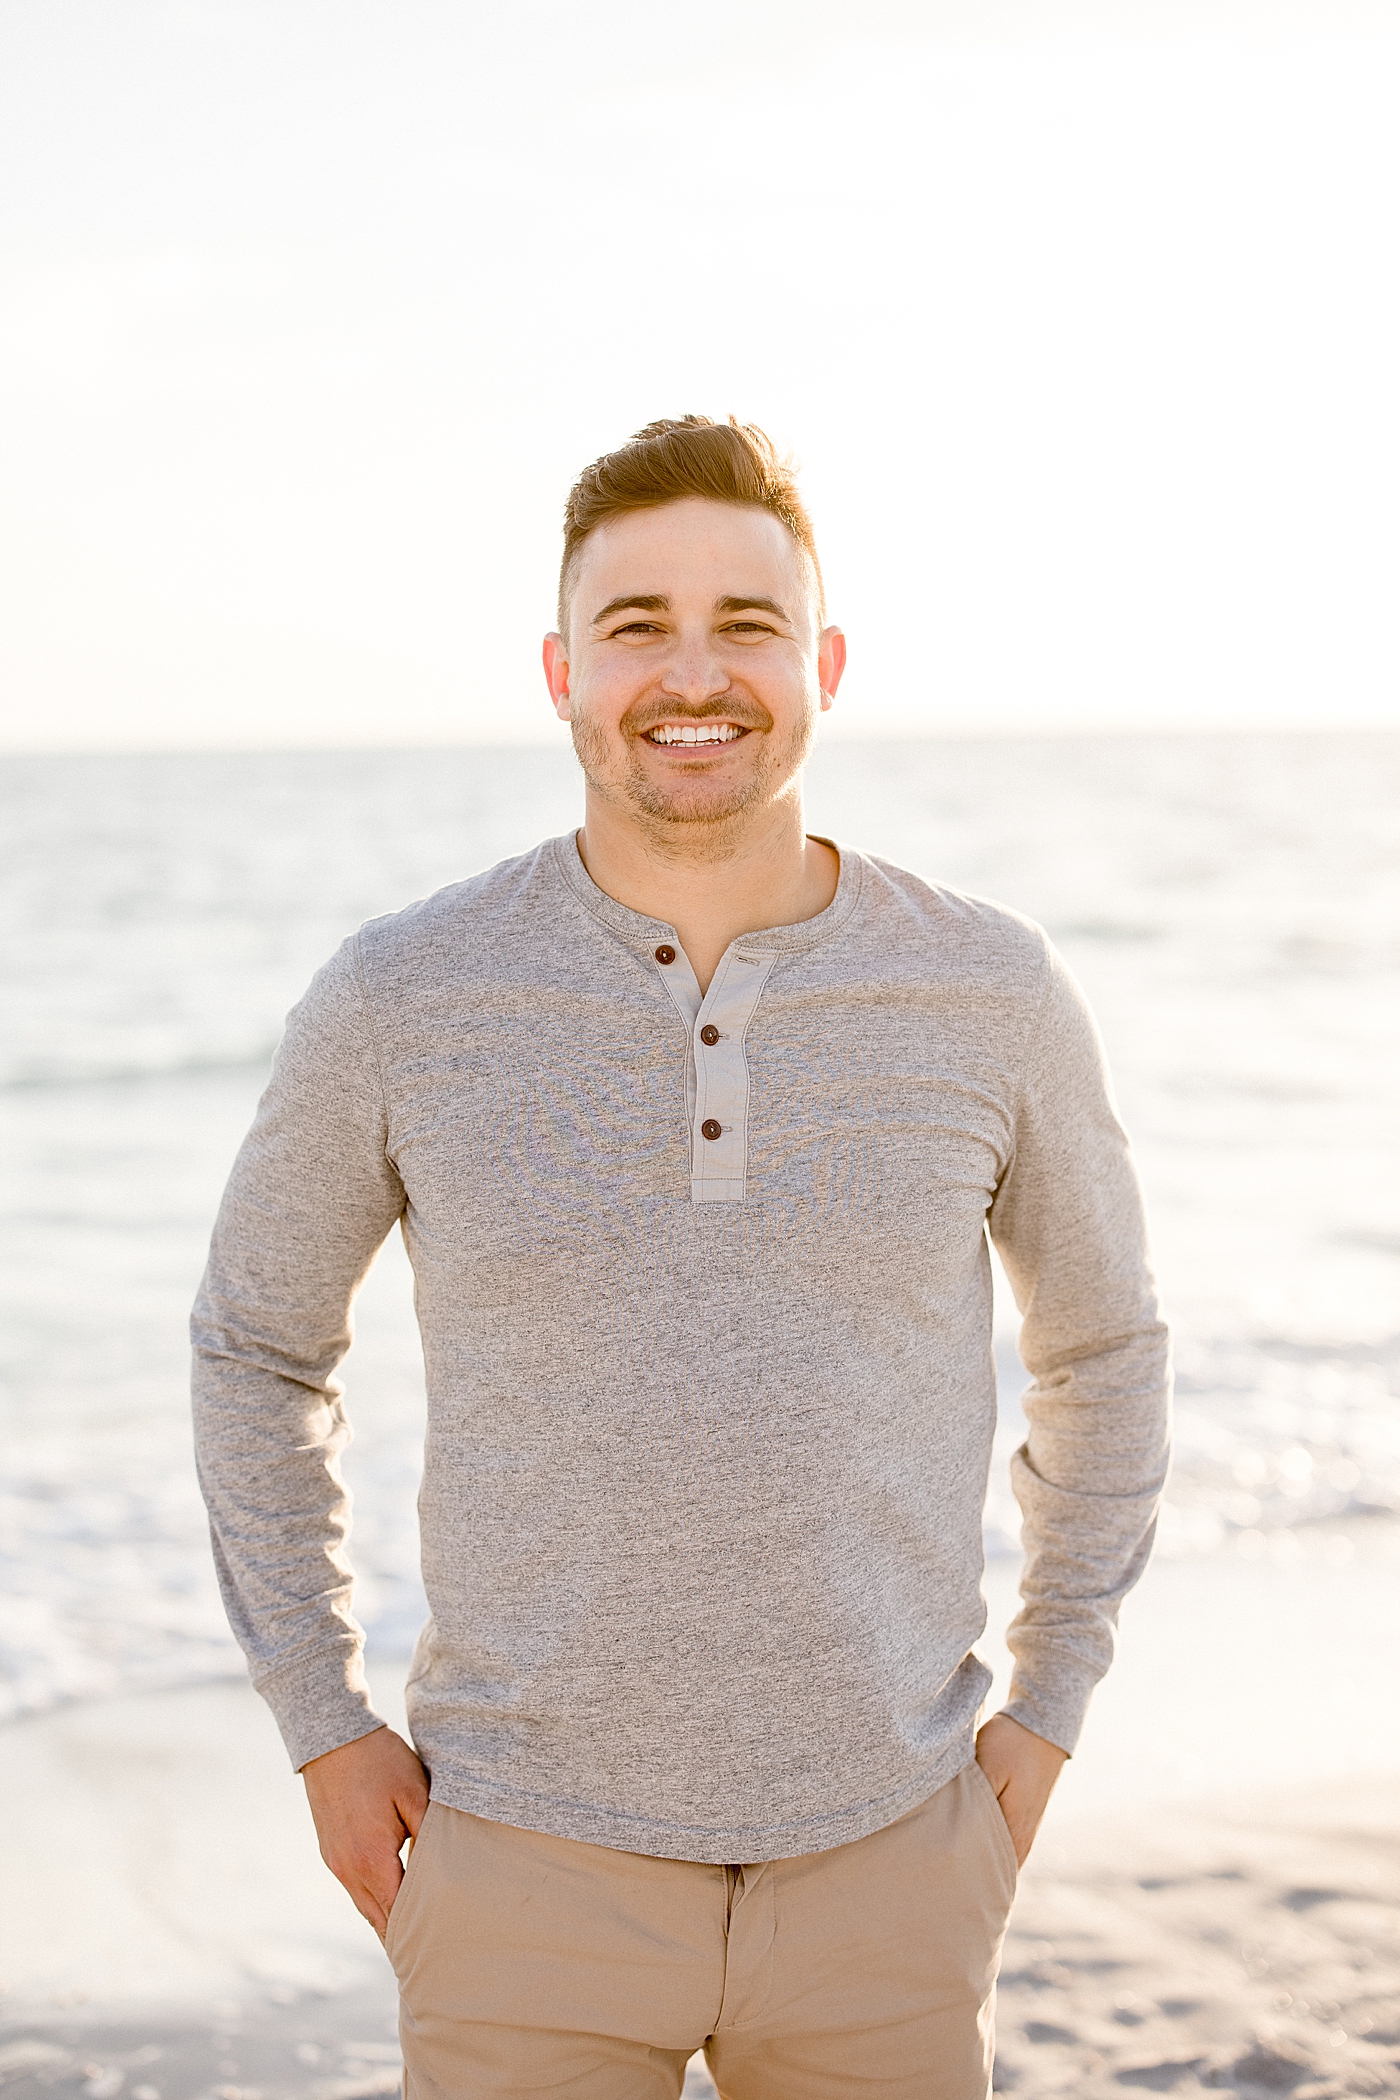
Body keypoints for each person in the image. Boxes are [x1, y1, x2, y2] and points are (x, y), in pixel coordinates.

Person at [192, 415, 1170, 2100]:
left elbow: (1107, 1351)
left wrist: (1049, 1699)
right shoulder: (404, 996)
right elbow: (257, 1351)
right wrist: (322, 1725)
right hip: (520, 1870)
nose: (693, 674)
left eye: (749, 625)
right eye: (638, 624)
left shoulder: (992, 992)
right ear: (563, 668)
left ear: (827, 664)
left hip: (895, 1859)